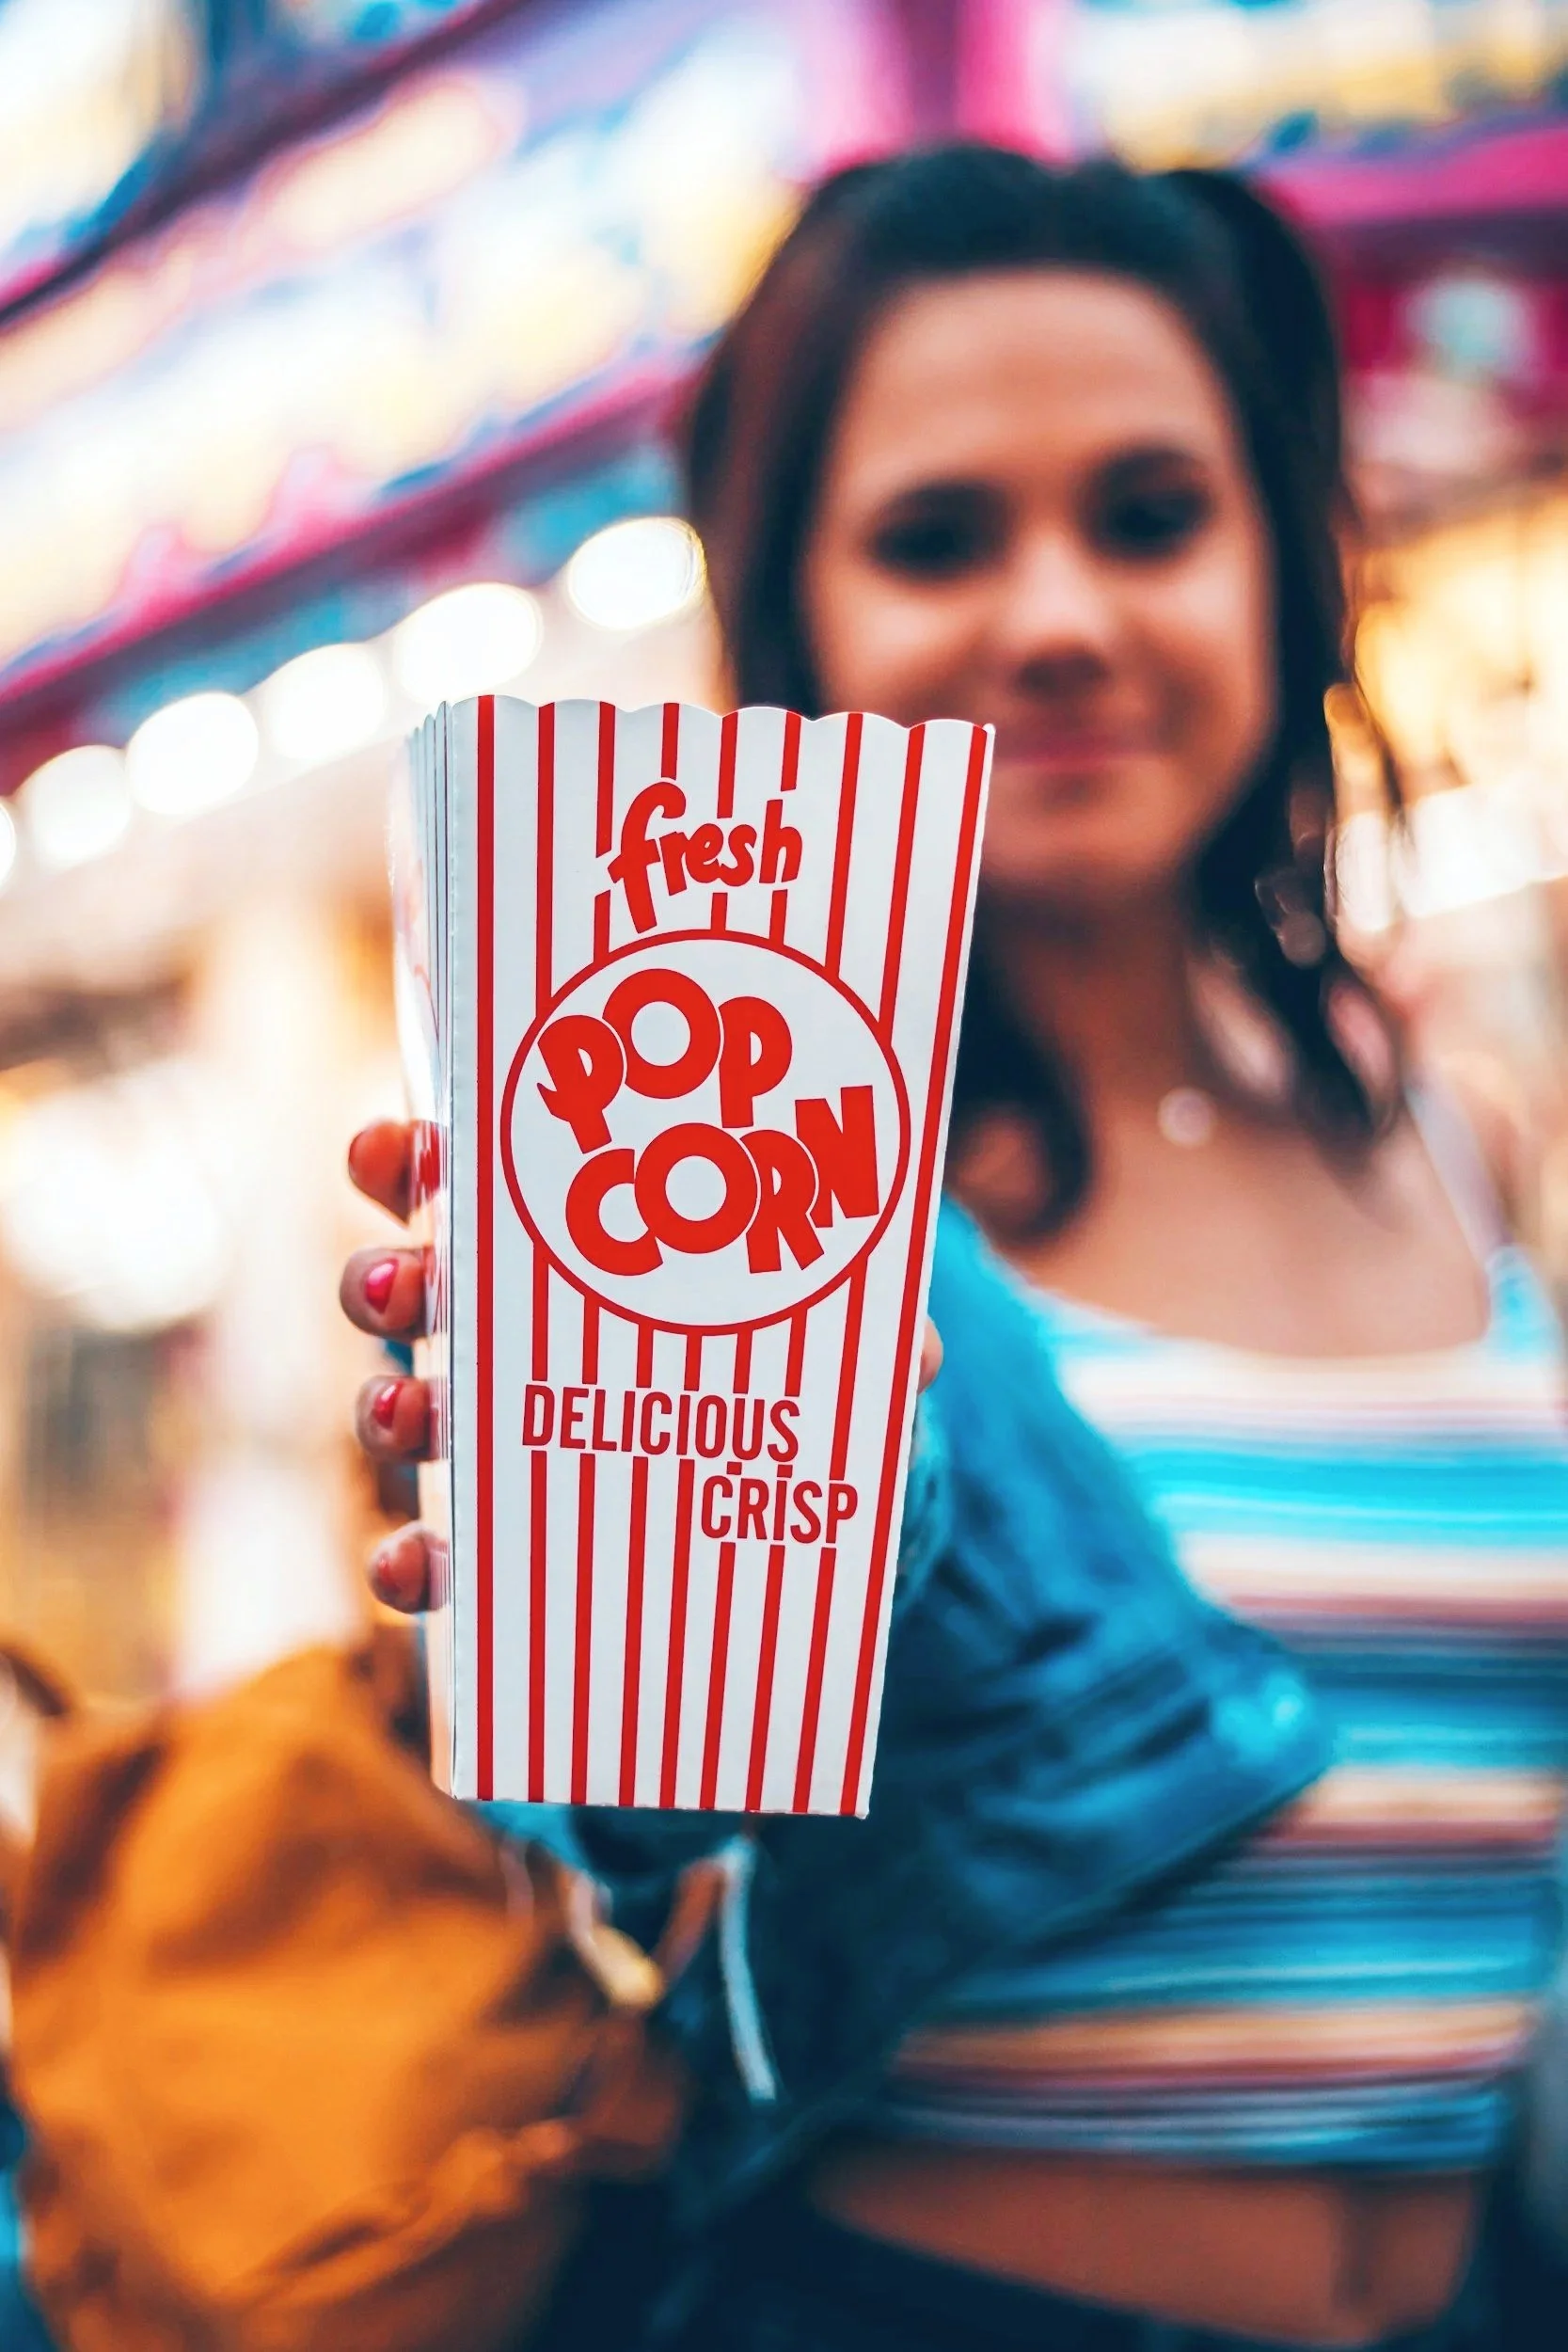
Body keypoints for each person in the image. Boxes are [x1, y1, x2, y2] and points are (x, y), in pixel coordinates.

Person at [341, 149, 1568, 2349]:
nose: (1059, 615)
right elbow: (637, 1816)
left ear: (1285, 565)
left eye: (1147, 512)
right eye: (932, 536)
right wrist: (559, 1554)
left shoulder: (1453, 1133)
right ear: (793, 615)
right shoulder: (751, 1166)